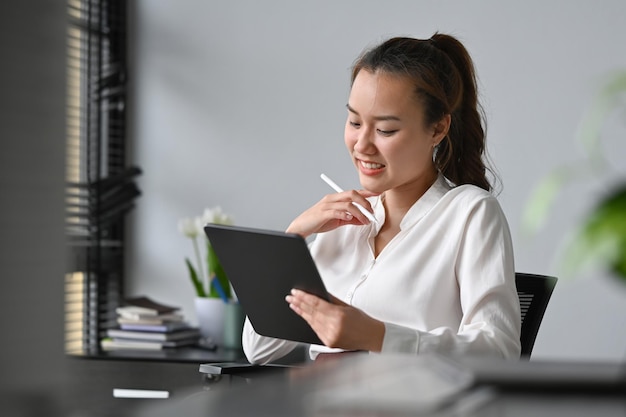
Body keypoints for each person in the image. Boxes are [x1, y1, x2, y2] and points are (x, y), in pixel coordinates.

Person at [242, 33, 521, 364]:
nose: (362, 144)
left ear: (437, 129)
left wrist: (377, 336)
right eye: (354, 121)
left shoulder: (470, 214)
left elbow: (499, 351)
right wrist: (293, 238)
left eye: (385, 130)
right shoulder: (341, 220)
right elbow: (259, 350)